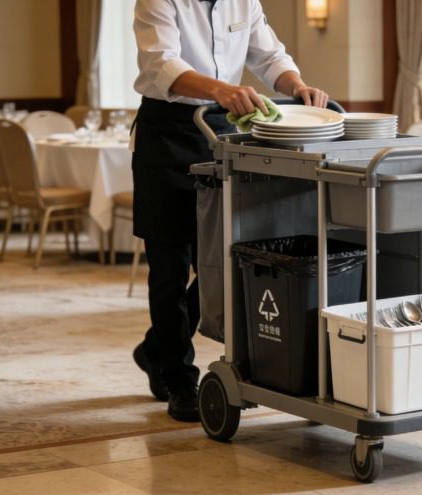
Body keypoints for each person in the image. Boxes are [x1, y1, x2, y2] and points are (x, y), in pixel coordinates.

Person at [130, 0, 329, 422]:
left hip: (221, 131)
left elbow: (270, 56)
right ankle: (178, 376)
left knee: (222, 258)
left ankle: (154, 349)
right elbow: (160, 61)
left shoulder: (245, 2)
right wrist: (220, 89)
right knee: (170, 263)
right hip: (167, 132)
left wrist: (296, 85)